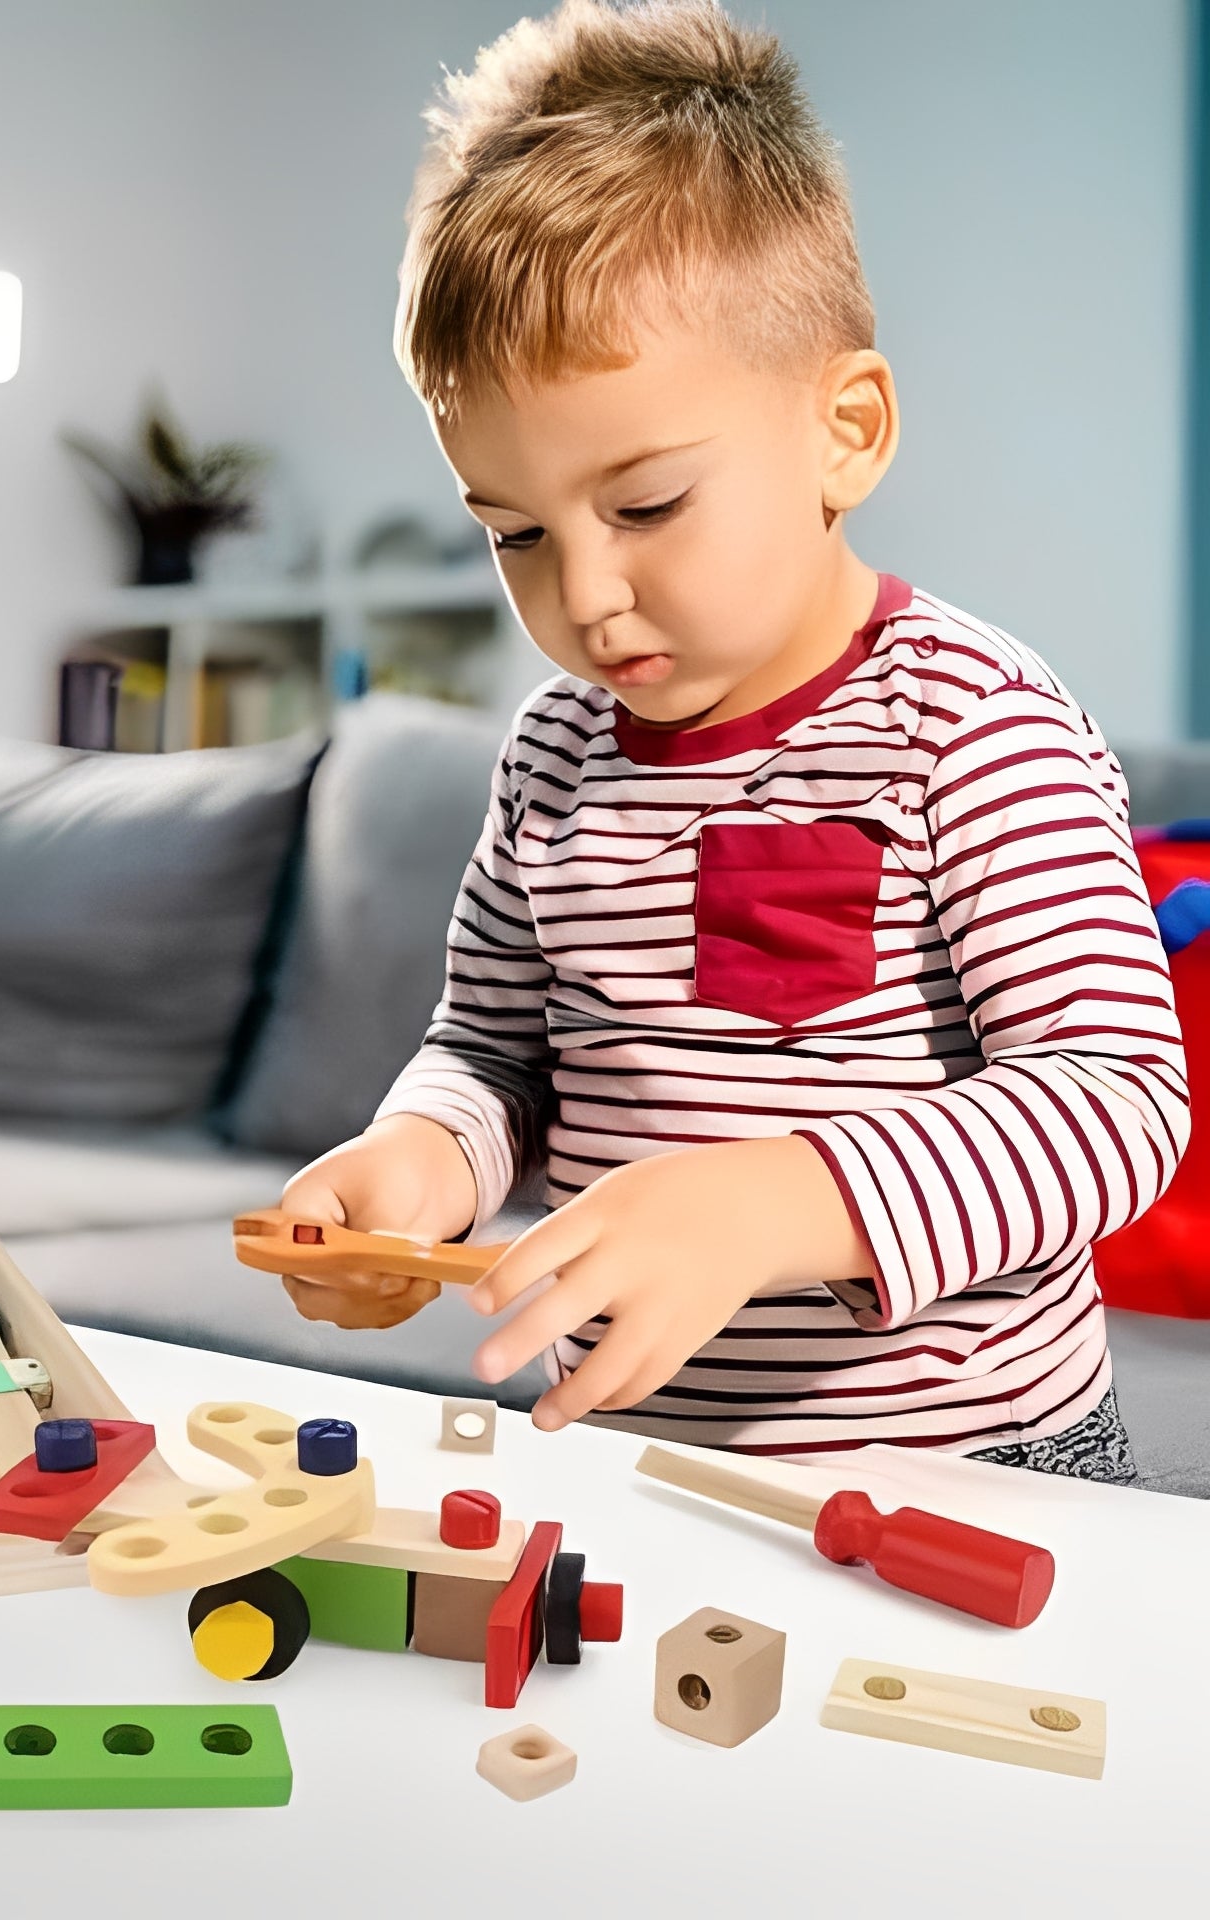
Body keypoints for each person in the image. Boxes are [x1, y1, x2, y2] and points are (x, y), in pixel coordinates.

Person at [278, 0, 1185, 1481]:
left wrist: (777, 1199)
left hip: (971, 1464)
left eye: (644, 506)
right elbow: (494, 1054)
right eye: (515, 532)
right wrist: (420, 1162)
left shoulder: (972, 722)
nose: (583, 594)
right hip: (630, 1456)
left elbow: (1112, 1100)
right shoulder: (554, 761)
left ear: (846, 430)